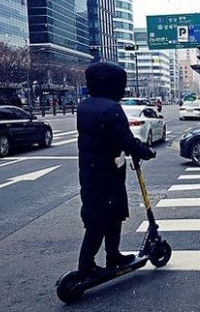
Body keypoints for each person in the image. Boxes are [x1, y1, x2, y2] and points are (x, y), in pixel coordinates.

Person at [76, 62, 157, 279]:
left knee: (106, 217)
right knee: (103, 220)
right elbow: (126, 140)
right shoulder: (111, 109)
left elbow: (107, 137)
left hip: (92, 172)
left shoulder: (84, 106)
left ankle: (112, 255)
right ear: (111, 85)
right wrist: (146, 152)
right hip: (107, 176)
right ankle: (87, 266)